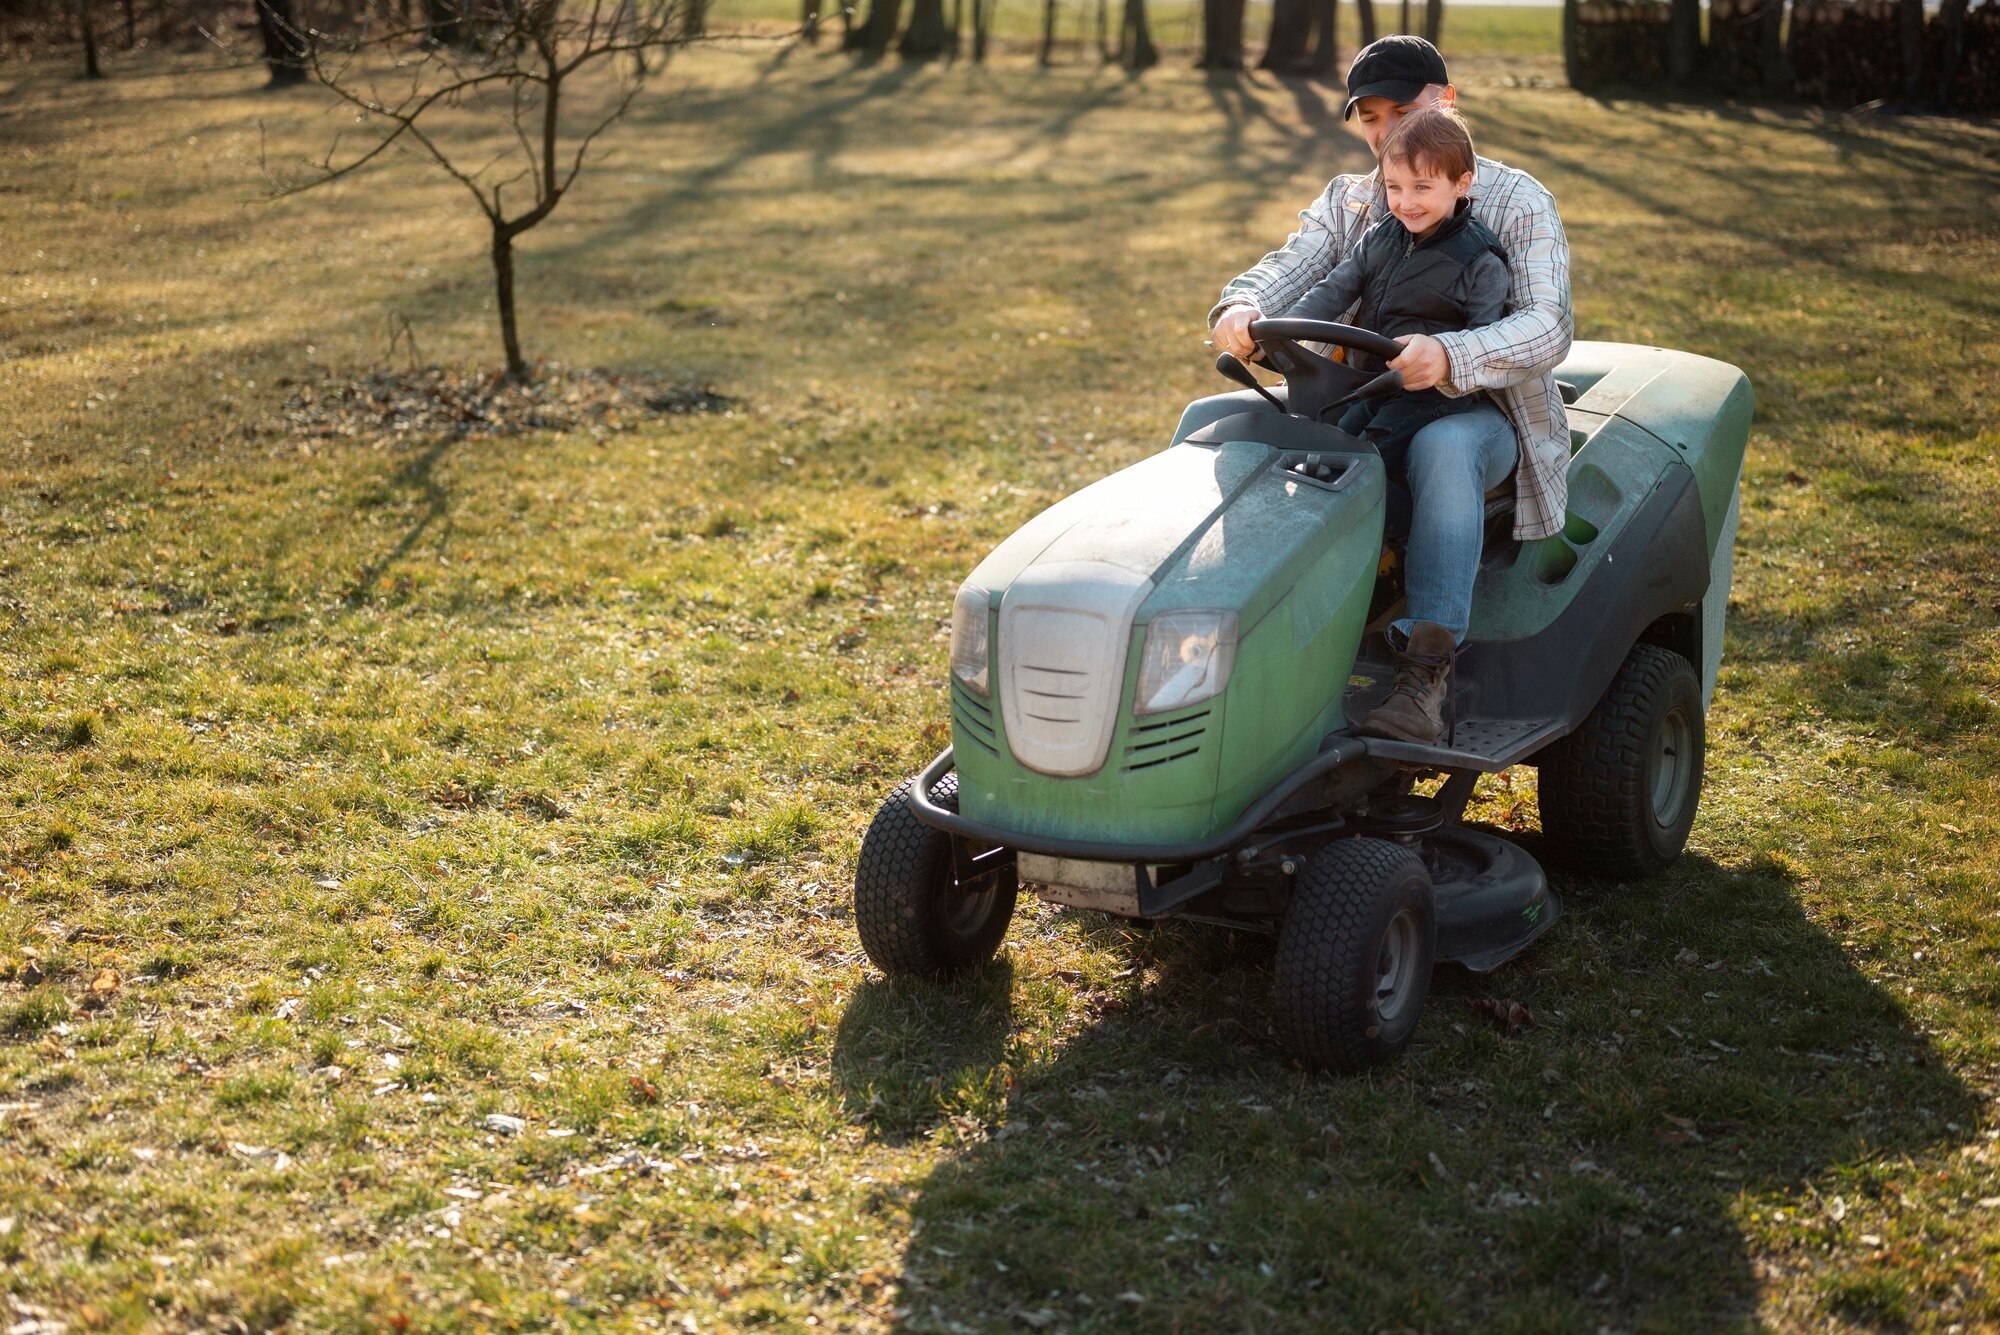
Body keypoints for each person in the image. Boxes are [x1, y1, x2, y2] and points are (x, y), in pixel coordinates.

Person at [1182, 34, 1574, 746]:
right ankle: (1192, 629)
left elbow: (1549, 325)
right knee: (1214, 420)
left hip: (1480, 415)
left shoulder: (1516, 202)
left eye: (1405, 107)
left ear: (1447, 103)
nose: (1388, 130)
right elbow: (1297, 269)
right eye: (1371, 116)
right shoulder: (1357, 203)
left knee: (1444, 448)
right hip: (1366, 398)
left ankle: (1423, 679)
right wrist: (1240, 309)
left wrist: (1452, 355)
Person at [1282, 105, 1509, 462]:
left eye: (1421, 187)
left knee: (1365, 455)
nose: (1406, 203)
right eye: (1394, 187)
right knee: (1330, 440)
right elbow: (1335, 289)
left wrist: (1443, 360)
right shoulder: (1379, 237)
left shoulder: (1481, 262)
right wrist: (1287, 328)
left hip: (1432, 395)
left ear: (1461, 183)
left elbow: (1483, 342)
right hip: (1373, 384)